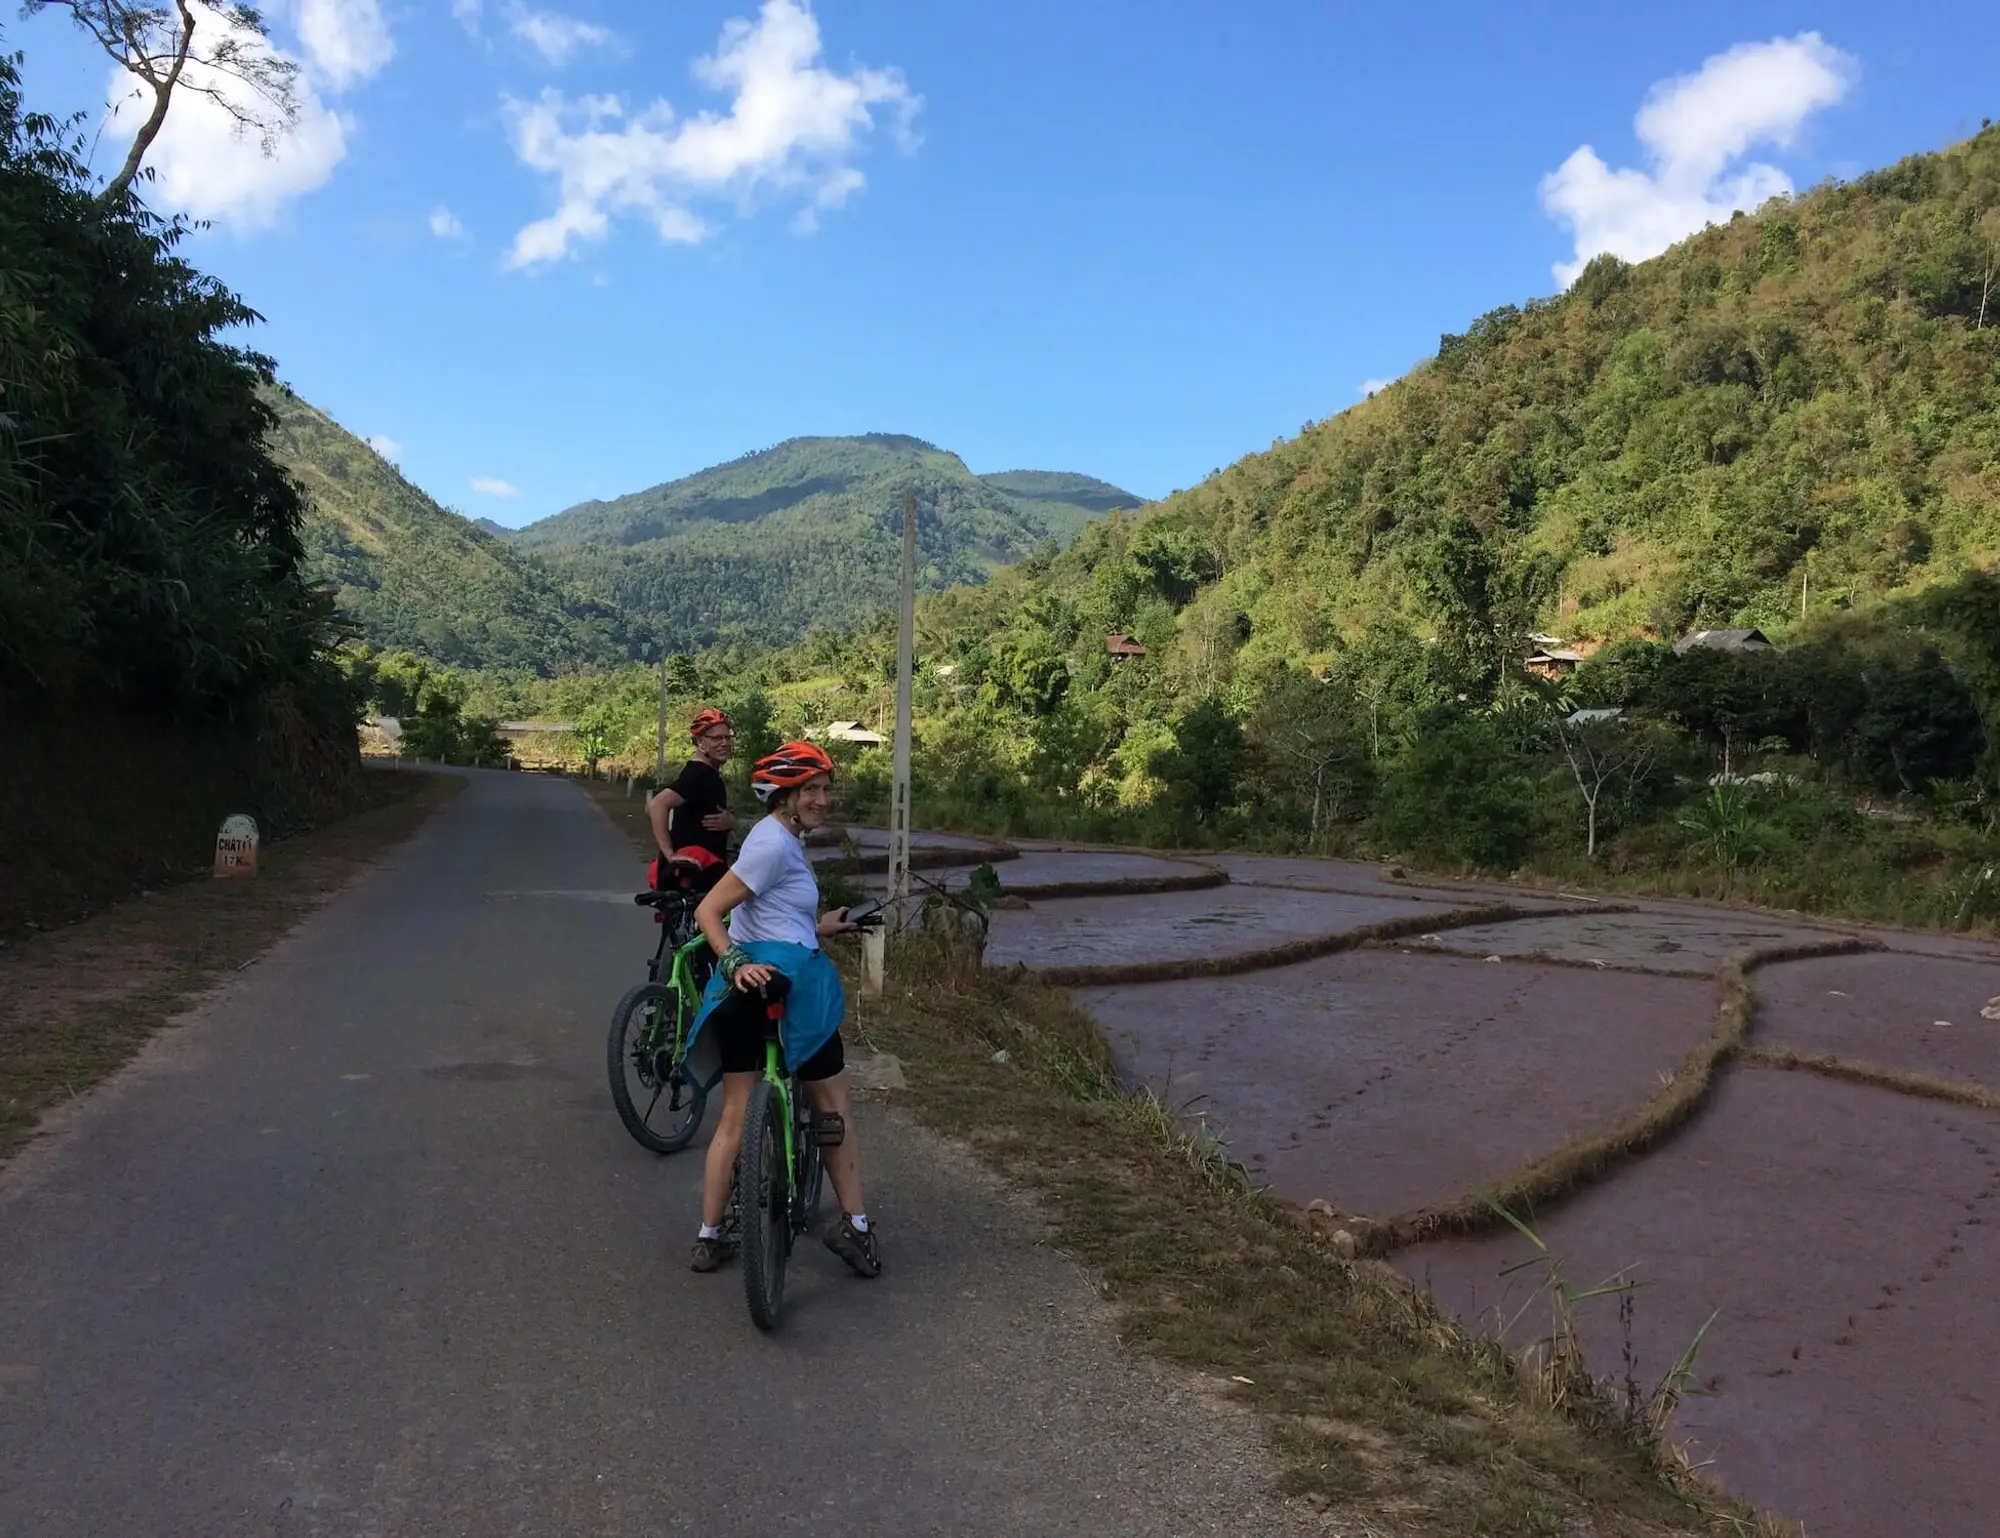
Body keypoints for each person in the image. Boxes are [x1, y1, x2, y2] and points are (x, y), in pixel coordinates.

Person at [683, 740, 880, 1279]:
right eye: (809, 790)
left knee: (735, 1113)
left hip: (755, 987)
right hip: (785, 984)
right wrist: (733, 962)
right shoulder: (773, 845)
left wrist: (820, 926)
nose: (823, 799)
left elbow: (768, 915)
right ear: (782, 796)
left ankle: (709, 1236)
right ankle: (856, 1226)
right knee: (832, 1102)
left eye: (825, 789)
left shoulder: (775, 839)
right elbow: (709, 911)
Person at [646, 707, 736, 879]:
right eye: (717, 738)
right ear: (701, 743)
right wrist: (670, 855)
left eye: (727, 737)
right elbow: (656, 804)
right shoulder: (698, 773)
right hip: (693, 875)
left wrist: (731, 822)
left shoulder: (706, 773)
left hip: (703, 870)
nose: (724, 743)